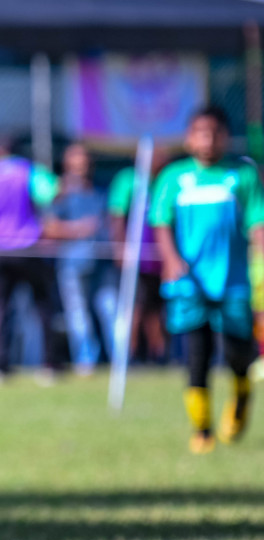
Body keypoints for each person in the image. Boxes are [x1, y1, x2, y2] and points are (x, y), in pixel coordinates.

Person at [149, 106, 264, 453]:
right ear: (188, 138)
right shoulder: (173, 178)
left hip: (233, 282)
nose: (208, 140)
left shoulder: (241, 175)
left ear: (226, 137)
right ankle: (202, 431)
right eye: (201, 132)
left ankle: (241, 403)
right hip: (189, 284)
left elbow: (257, 222)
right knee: (196, 356)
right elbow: (161, 221)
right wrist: (171, 259)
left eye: (215, 133)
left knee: (237, 355)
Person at [0, 136, 61, 386]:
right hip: (28, 246)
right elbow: (51, 193)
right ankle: (49, 366)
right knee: (42, 306)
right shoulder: (29, 170)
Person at [49, 142, 114, 376]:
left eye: (84, 161)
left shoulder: (101, 191)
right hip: (73, 264)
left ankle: (120, 362)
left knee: (111, 311)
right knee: (79, 317)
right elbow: (50, 227)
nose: (81, 166)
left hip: (103, 263)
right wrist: (79, 228)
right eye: (75, 162)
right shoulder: (62, 194)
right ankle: (86, 362)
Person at [109, 147, 171, 364]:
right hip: (136, 258)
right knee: (134, 306)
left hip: (159, 258)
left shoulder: (164, 181)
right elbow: (116, 216)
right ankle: (130, 356)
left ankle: (159, 354)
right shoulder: (127, 180)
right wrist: (121, 248)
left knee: (157, 307)